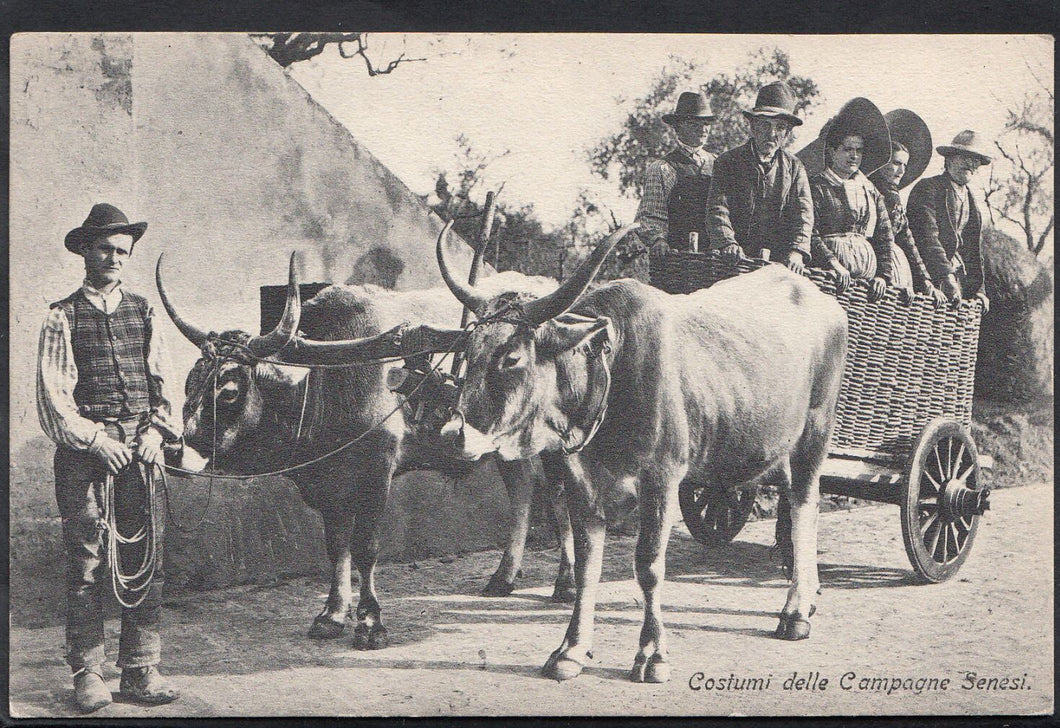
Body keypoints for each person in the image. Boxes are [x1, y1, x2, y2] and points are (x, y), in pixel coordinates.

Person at [37, 203, 181, 712]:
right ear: (85, 251)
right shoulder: (62, 315)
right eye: (105, 248)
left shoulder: (144, 311)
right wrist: (98, 441)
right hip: (85, 456)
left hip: (141, 453)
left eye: (123, 250)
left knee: (146, 558)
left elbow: (164, 384)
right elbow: (54, 400)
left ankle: (141, 669)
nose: (115, 258)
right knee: (86, 564)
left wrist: (156, 432)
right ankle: (88, 673)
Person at [706, 81, 813, 274]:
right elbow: (718, 208)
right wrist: (727, 243)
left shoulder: (795, 168)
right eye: (765, 125)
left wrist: (797, 252)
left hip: (777, 264)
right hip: (734, 260)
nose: (771, 134)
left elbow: (803, 215)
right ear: (753, 127)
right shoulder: (728, 162)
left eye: (780, 127)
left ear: (787, 133)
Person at [802, 98, 895, 302]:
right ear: (832, 151)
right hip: (827, 277)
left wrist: (883, 275)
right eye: (847, 149)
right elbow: (809, 232)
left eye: (859, 150)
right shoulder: (817, 186)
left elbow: (884, 236)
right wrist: (832, 263)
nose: (854, 156)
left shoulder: (870, 191)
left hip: (866, 287)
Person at [906, 130, 992, 312]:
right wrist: (945, 276)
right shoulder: (928, 189)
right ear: (949, 159)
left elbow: (973, 251)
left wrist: (979, 290)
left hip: (958, 281)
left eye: (975, 160)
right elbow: (927, 237)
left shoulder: (972, 203)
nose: (970, 164)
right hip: (927, 277)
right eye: (965, 157)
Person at [869, 117, 947, 307]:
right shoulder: (870, 190)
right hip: (873, 266)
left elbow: (906, 237)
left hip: (892, 267)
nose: (902, 171)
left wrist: (926, 281)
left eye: (905, 165)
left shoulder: (893, 196)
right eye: (896, 163)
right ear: (882, 163)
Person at [630, 91, 716, 257]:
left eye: (706, 123)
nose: (702, 129)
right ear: (677, 127)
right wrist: (658, 240)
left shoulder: (719, 164)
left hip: (715, 257)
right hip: (678, 257)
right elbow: (650, 215)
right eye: (693, 124)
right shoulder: (662, 168)